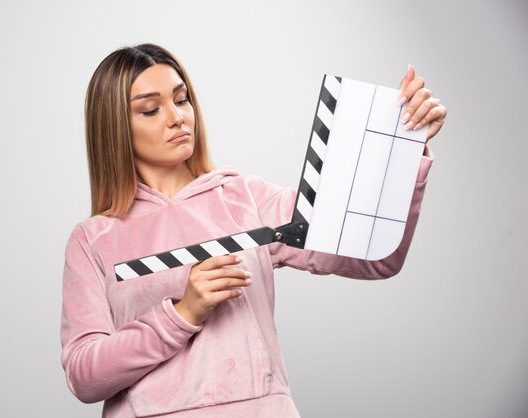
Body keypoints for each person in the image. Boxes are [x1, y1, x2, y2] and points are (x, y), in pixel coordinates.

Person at [60, 43, 446, 417]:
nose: (177, 117)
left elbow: (373, 258)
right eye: (149, 110)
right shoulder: (94, 239)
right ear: (115, 127)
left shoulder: (248, 199)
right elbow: (84, 377)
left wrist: (403, 147)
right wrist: (183, 312)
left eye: (181, 99)